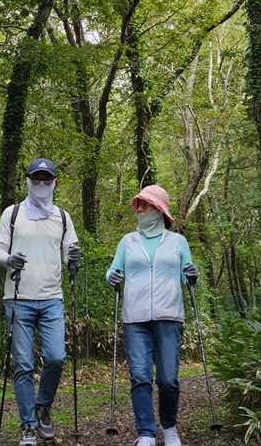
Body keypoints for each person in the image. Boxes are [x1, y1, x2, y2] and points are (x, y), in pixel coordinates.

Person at [0, 157, 81, 446]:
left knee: (56, 357)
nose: (41, 184)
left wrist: (74, 260)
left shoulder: (63, 217)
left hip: (52, 299)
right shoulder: (13, 213)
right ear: (28, 180)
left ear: (54, 182)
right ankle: (28, 426)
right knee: (23, 364)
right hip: (18, 298)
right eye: (36, 178)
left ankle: (43, 406)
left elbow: (70, 252)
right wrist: (10, 260)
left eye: (46, 179)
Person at [106, 184, 200, 446]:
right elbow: (113, 271)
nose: (139, 210)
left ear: (159, 209)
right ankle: (146, 432)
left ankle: (168, 427)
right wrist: (112, 277)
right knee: (139, 376)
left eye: (144, 205)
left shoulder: (177, 242)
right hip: (134, 319)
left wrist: (192, 276)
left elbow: (188, 276)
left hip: (169, 316)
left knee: (168, 378)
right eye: (138, 205)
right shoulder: (128, 241)